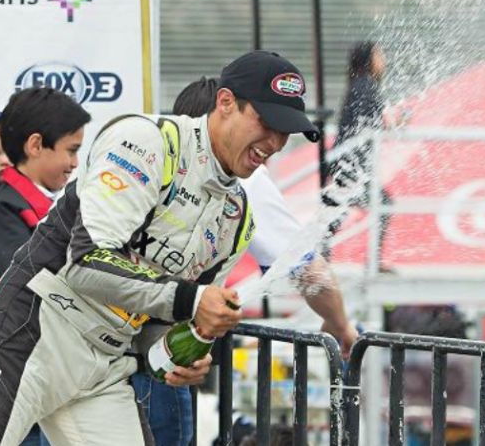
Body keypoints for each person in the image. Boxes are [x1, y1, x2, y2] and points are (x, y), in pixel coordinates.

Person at [0, 50, 320, 445]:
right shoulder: (147, 142)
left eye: (286, 130)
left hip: (104, 366)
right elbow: (87, 262)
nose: (274, 142)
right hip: (32, 333)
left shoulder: (236, 220)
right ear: (225, 103)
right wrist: (192, 299)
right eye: (266, 122)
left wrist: (183, 352)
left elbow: (161, 324)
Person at [131, 76, 358, 446]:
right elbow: (307, 269)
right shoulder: (240, 176)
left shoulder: (153, 156)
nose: (273, 144)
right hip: (156, 359)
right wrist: (341, 327)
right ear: (222, 113)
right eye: (265, 125)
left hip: (97, 350)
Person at [0, 87, 90, 446]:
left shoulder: (58, 207)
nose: (74, 164)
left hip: (47, 369)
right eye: (71, 150)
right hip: (6, 373)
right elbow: (35, 281)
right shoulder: (1, 210)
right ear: (36, 145)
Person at [329, 41, 394, 273]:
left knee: (336, 210)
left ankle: (318, 257)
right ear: (369, 60)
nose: (383, 60)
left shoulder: (358, 85)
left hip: (345, 161)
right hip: (351, 163)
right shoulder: (368, 85)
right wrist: (403, 119)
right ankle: (373, 262)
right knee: (383, 203)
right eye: (379, 55)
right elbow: (388, 121)